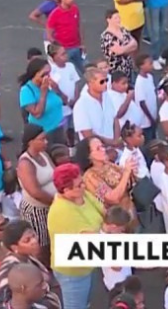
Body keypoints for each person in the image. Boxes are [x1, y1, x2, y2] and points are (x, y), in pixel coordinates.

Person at [47, 163, 104, 309]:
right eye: (79, 185)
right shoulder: (62, 211)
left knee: (86, 302)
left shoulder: (82, 194)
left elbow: (103, 212)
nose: (84, 186)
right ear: (66, 190)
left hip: (87, 264)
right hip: (73, 272)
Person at [15, 127, 54, 267]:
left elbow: (54, 174)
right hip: (36, 211)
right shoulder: (25, 163)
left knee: (53, 240)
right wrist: (55, 202)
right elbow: (34, 191)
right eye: (42, 139)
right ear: (31, 142)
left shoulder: (44, 155)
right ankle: (43, 270)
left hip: (51, 207)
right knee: (41, 245)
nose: (46, 141)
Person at [0, 221, 60, 309]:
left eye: (34, 235)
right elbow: (7, 300)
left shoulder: (28, 257)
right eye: (27, 240)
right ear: (14, 248)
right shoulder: (10, 270)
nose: (34, 241)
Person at [75, 137, 136, 220]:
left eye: (102, 146)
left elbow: (127, 180)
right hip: (118, 218)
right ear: (89, 156)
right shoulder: (90, 177)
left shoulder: (108, 164)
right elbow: (112, 198)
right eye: (98, 149)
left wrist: (131, 170)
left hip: (130, 208)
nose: (103, 150)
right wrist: (126, 173)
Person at [18, 60, 65, 148]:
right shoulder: (27, 90)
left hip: (58, 128)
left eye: (49, 73)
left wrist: (57, 89)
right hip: (43, 133)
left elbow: (64, 101)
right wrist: (43, 92)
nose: (47, 77)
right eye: (43, 75)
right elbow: (37, 114)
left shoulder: (50, 85)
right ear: (34, 75)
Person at [72, 67, 119, 146]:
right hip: (96, 150)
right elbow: (88, 135)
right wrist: (110, 144)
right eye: (101, 81)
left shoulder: (107, 96)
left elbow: (115, 119)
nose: (105, 84)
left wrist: (116, 141)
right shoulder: (81, 105)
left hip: (113, 147)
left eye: (106, 80)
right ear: (90, 83)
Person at [45, 0, 83, 72]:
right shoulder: (55, 14)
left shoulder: (75, 9)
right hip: (65, 50)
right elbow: (49, 35)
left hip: (76, 47)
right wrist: (59, 50)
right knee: (68, 72)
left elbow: (78, 27)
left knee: (86, 70)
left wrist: (82, 44)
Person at [100, 9, 137, 77]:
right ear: (109, 20)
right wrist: (129, 46)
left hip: (129, 67)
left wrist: (123, 48)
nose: (118, 20)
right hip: (116, 71)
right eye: (116, 18)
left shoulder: (123, 30)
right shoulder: (106, 36)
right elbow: (119, 51)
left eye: (119, 17)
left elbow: (135, 44)